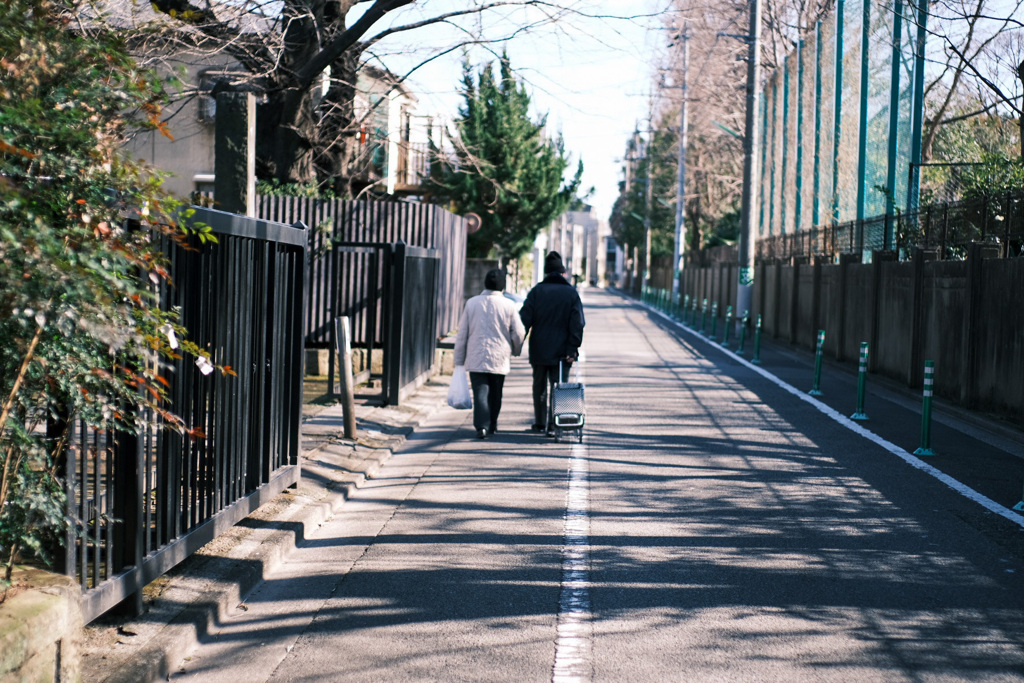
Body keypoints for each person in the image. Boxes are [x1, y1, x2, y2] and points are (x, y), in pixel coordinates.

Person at [453, 268, 526, 439]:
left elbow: (462, 333)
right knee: (496, 392)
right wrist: (515, 350)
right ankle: (492, 423)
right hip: (499, 356)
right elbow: (519, 332)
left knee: (480, 392)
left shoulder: (472, 303)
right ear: (502, 286)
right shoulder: (509, 305)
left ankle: (481, 426)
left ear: (485, 283)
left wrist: (458, 360)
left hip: (476, 355)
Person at [519, 251, 585, 434]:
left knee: (539, 387)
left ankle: (540, 423)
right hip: (563, 351)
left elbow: (524, 320)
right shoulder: (571, 293)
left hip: (539, 348)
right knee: (559, 387)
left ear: (546, 273)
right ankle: (554, 424)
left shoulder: (536, 292)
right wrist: (573, 348)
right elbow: (578, 323)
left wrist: (517, 343)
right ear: (562, 273)